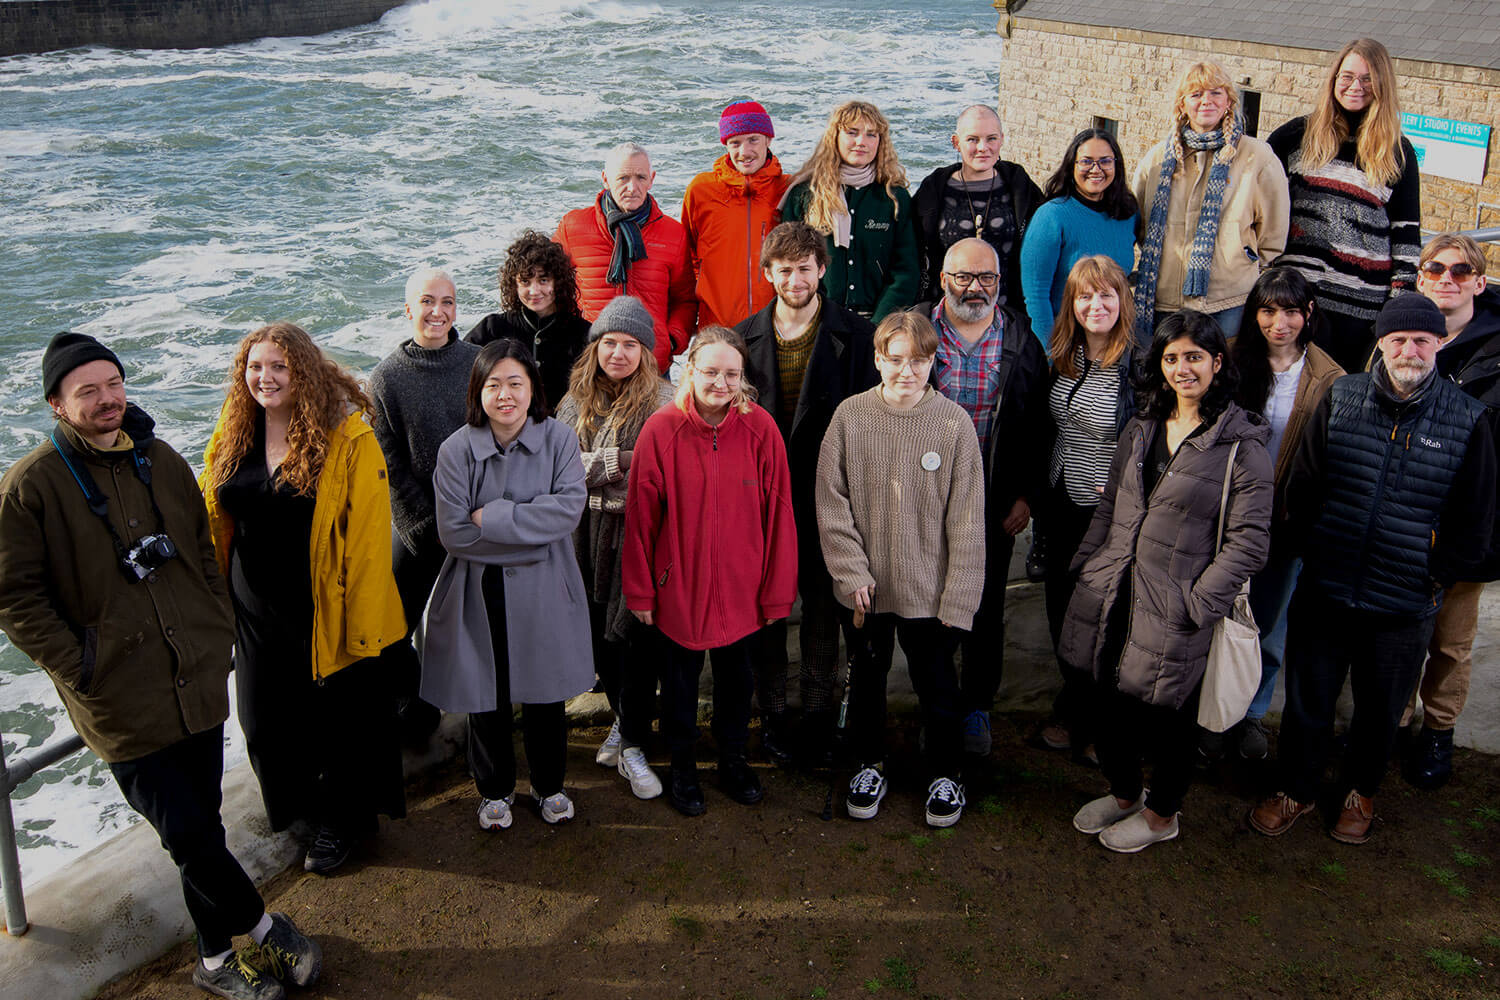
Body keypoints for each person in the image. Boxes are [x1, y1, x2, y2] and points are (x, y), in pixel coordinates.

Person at [0, 333, 321, 1000]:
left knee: (199, 828)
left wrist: (215, 623)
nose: (106, 399)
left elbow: (204, 546)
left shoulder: (162, 460)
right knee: (188, 834)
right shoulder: (32, 487)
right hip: (122, 699)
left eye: (112, 384)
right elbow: (14, 597)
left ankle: (211, 961)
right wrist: (81, 664)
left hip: (196, 678)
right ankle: (263, 930)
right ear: (57, 404)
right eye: (86, 390)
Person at [1250, 294, 1495, 845]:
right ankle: (1297, 789)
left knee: (1380, 711)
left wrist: (1436, 573)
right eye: (1399, 339)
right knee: (1309, 700)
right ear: (1381, 343)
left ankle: (1361, 792)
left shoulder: (1467, 419)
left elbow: (1475, 518)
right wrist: (1308, 550)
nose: (1410, 350)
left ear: (1439, 345)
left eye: (1422, 340)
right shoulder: (1343, 396)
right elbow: (1305, 487)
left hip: (1405, 601)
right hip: (1328, 586)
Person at [1061, 310, 1271, 853]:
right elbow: (1111, 506)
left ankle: (1162, 814)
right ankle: (1126, 792)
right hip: (1115, 588)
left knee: (1169, 713)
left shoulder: (1241, 447)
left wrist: (1199, 603)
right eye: (1172, 358)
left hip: (1180, 601)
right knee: (1104, 695)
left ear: (1217, 363)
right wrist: (1089, 565)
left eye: (1194, 357)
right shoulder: (1142, 428)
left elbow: (1248, 541)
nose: (1182, 368)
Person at [202, 323, 407, 876]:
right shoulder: (233, 431)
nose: (264, 378)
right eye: (255, 367)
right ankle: (305, 813)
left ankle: (341, 823)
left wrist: (361, 625)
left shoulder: (347, 438)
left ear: (304, 373)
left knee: (337, 723)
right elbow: (210, 514)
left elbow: (368, 537)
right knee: (263, 721)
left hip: (323, 603)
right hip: (252, 609)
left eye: (278, 367)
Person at [816, 311, 986, 827]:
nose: (907, 371)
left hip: (929, 593)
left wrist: (958, 597)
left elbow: (968, 520)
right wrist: (850, 571)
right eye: (895, 360)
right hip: (867, 591)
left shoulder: (953, 424)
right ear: (877, 359)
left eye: (919, 360)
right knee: (867, 683)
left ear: (934, 361)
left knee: (938, 687)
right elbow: (831, 501)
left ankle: (945, 772)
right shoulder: (849, 417)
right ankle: (869, 763)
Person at [623, 326, 798, 817]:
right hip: (679, 588)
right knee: (678, 686)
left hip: (744, 591)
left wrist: (776, 592)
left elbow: (781, 514)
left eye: (731, 374)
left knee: (738, 683)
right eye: (710, 372)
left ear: (743, 377)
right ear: (690, 371)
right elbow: (641, 519)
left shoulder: (762, 429)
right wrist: (641, 592)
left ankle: (733, 759)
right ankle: (682, 766)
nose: (720, 383)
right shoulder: (661, 429)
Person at [420, 340, 594, 829]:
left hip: (544, 589)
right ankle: (494, 789)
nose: (505, 395)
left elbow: (566, 511)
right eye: (493, 384)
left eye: (515, 383)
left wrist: (491, 518)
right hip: (480, 590)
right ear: (478, 391)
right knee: (485, 693)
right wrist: (528, 534)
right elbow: (454, 532)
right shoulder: (456, 449)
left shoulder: (559, 439)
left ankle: (549, 785)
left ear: (532, 388)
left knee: (546, 692)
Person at [736, 221, 879, 766]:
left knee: (823, 611)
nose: (794, 279)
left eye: (804, 268)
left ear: (823, 269)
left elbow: (868, 423)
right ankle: (771, 714)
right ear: (768, 274)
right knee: (768, 610)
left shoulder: (857, 336)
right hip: (764, 498)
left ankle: (818, 716)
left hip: (830, 494)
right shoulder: (743, 338)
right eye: (783, 270)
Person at [919, 237, 1049, 756]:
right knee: (928, 609)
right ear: (943, 278)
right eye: (963, 277)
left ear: (1000, 281)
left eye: (987, 278)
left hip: (993, 501)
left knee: (985, 608)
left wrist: (1028, 496)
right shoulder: (915, 332)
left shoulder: (1021, 337)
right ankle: (937, 707)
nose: (975, 288)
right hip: (926, 499)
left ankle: (976, 708)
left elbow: (1041, 424)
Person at [555, 296, 675, 799]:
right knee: (599, 634)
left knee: (635, 639)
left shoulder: (665, 401)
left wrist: (601, 468)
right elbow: (559, 471)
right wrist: (619, 460)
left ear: (645, 351)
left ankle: (632, 738)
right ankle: (624, 724)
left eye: (629, 344)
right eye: (609, 343)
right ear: (595, 347)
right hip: (582, 537)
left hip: (636, 537)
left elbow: (656, 475)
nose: (619, 353)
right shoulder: (572, 401)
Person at [1220, 267, 1343, 761]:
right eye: (1268, 310)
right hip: (1226, 511)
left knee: (1267, 626)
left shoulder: (1329, 377)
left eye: (1291, 311)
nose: (1279, 322)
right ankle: (1203, 709)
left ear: (1308, 314)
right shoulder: (1230, 358)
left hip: (1286, 520)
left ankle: (1250, 716)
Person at [1399, 234, 1500, 788]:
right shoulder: (1399, 337)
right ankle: (1393, 721)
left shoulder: (1497, 351)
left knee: (1450, 644)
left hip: (1465, 525)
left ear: (1479, 283)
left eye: (1461, 271)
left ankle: (1438, 733)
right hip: (1400, 517)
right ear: (1420, 277)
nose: (1447, 278)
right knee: (1397, 632)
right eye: (1434, 268)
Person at [1033, 256, 1138, 763]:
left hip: (1108, 514)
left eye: (1106, 295)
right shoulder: (1064, 354)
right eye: (1084, 296)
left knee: (1104, 622)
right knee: (1063, 614)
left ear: (1122, 301)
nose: (1095, 306)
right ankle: (1074, 707)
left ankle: (1105, 722)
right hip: (1059, 506)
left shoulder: (1138, 366)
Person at [370, 267, 480, 743]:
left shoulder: (478, 363)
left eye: (448, 302)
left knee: (479, 627)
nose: (438, 312)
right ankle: (416, 709)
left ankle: (483, 715)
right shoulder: (386, 378)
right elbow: (387, 461)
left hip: (477, 518)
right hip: (418, 522)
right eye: (428, 302)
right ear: (408, 309)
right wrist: (423, 523)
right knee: (388, 628)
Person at [1268, 38, 1421, 374]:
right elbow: (1254, 199)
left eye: (1368, 79)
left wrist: (1395, 310)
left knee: (1334, 398)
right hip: (1295, 299)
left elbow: (1406, 239)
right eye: (1347, 76)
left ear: (1383, 85)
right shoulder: (1296, 136)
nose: (1356, 86)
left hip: (1360, 311)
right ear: (1333, 80)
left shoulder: (1398, 151)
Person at [1132, 60, 1289, 340]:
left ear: (1229, 101)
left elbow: (1272, 233)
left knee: (1221, 374)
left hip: (1228, 299)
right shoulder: (1156, 159)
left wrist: (1243, 258)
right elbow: (1140, 223)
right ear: (1182, 105)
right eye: (1196, 94)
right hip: (1163, 298)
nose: (1207, 101)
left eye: (1216, 93)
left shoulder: (1257, 157)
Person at [555, 142, 697, 374]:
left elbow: (685, 300)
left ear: (651, 179)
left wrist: (671, 341)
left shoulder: (674, 233)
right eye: (623, 178)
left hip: (651, 364)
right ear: (605, 178)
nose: (633, 187)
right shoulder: (574, 226)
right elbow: (552, 287)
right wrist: (571, 337)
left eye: (641, 177)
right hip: (591, 363)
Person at [782, 100, 919, 323]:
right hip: (817, 320)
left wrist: (878, 326)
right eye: (852, 132)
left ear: (881, 142)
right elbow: (790, 264)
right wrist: (818, 318)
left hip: (878, 322)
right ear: (834, 137)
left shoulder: (894, 197)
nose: (861, 142)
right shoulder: (805, 194)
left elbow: (905, 270)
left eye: (871, 134)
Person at [1019, 127, 1139, 349]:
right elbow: (1035, 295)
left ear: (1116, 166)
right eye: (1086, 161)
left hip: (1113, 344)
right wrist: (1048, 353)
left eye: (1105, 161)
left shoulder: (1128, 214)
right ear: (1071, 166)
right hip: (1066, 344)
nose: (1096, 169)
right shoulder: (1051, 216)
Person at [913, 104, 1042, 309]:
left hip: (1008, 317)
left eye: (991, 138)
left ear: (1001, 139)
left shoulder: (1021, 189)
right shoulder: (933, 192)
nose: (983, 147)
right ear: (956, 142)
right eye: (972, 139)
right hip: (944, 316)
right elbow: (912, 254)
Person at [683, 99, 790, 329]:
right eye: (735, 142)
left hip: (774, 327)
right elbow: (687, 256)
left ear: (768, 140)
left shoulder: (788, 189)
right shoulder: (701, 189)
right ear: (726, 145)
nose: (745, 152)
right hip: (717, 327)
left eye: (753, 140)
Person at [467, 230, 590, 410]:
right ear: (514, 285)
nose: (534, 291)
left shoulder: (582, 333)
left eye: (543, 280)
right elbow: (458, 367)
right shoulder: (493, 328)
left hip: (563, 432)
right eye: (525, 281)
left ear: (558, 282)